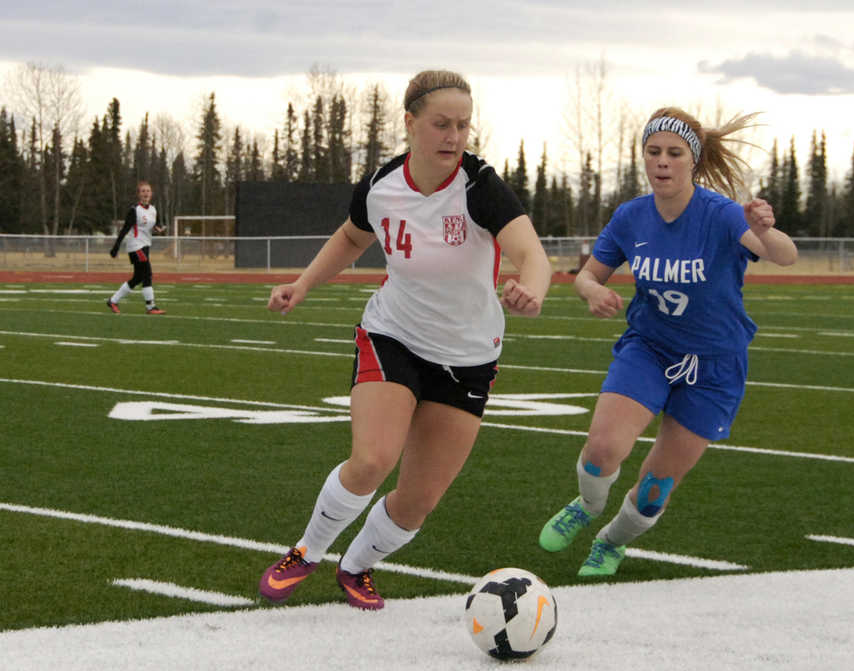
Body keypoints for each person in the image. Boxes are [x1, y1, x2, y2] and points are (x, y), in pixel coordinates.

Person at [258, 69, 551, 610]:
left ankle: (357, 566)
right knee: (372, 459)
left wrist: (530, 291)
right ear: (411, 123)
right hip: (393, 336)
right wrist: (302, 285)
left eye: (463, 125)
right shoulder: (380, 185)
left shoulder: (481, 187)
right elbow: (351, 236)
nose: (454, 136)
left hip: (468, 357)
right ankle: (307, 549)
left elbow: (533, 256)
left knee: (417, 501)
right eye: (441, 124)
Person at [538, 107, 797, 577]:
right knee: (602, 450)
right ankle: (587, 505)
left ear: (692, 161)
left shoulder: (719, 213)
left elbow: (784, 256)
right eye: (653, 151)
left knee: (656, 487)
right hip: (650, 347)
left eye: (674, 153)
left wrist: (764, 229)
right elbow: (586, 277)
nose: (662, 161)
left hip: (715, 366)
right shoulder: (631, 216)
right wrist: (595, 291)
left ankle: (611, 542)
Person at [106, 181, 166, 314]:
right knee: (147, 273)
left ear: (151, 194)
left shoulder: (153, 210)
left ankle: (113, 301)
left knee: (138, 277)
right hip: (135, 246)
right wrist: (116, 247)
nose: (146, 193)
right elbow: (125, 230)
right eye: (143, 191)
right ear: (139, 194)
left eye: (148, 191)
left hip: (146, 245)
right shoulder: (135, 210)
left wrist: (160, 229)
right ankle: (150, 306)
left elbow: (157, 226)